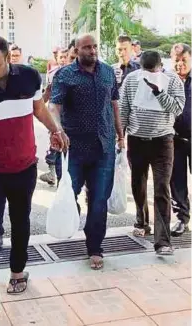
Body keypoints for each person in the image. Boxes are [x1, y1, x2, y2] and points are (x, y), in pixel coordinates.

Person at [0, 35, 68, 326]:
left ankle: (18, 271)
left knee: (21, 223)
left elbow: (39, 109)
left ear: (8, 57)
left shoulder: (29, 78)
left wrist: (55, 130)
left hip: (24, 169)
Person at [50, 34, 125, 270]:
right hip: (74, 149)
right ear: (76, 50)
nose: (92, 51)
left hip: (104, 147)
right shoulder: (65, 75)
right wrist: (58, 130)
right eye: (86, 47)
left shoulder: (107, 73)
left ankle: (95, 247)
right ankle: (73, 219)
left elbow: (114, 104)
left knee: (99, 199)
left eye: (94, 47)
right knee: (68, 195)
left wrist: (121, 135)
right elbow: (54, 106)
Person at [119, 51, 185, 255]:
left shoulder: (172, 80)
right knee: (137, 185)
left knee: (161, 189)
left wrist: (159, 93)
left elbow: (178, 108)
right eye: (145, 71)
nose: (148, 74)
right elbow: (124, 108)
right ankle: (142, 221)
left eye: (153, 71)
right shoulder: (132, 79)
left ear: (160, 67)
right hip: (137, 141)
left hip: (163, 142)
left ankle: (163, 242)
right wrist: (120, 136)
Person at [170, 43, 191, 236]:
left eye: (184, 60)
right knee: (176, 180)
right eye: (177, 61)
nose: (180, 64)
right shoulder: (167, 81)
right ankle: (181, 218)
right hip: (174, 139)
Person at [40, 48, 68, 185]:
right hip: (56, 119)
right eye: (61, 57)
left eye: (66, 57)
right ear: (57, 59)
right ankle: (59, 180)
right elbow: (45, 97)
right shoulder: (52, 75)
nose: (63, 59)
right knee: (57, 149)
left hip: (70, 119)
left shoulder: (75, 74)